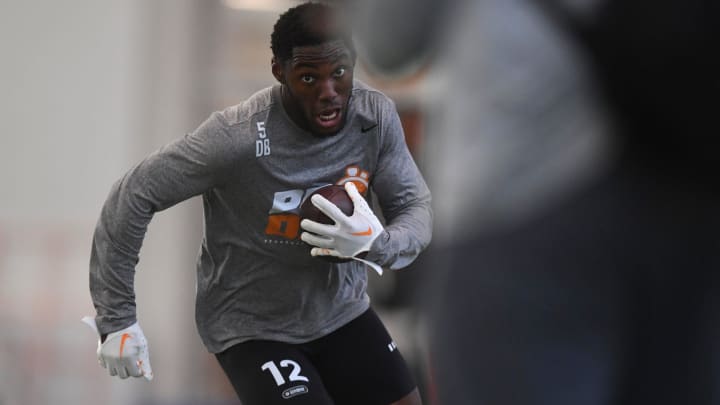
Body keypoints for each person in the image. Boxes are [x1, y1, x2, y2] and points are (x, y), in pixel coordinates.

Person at [82, 3, 431, 405]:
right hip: (252, 326)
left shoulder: (375, 118)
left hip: (341, 312)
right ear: (278, 71)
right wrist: (117, 318)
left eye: (339, 74)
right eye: (308, 78)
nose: (328, 93)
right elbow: (132, 196)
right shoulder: (236, 138)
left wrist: (377, 242)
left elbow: (417, 209)